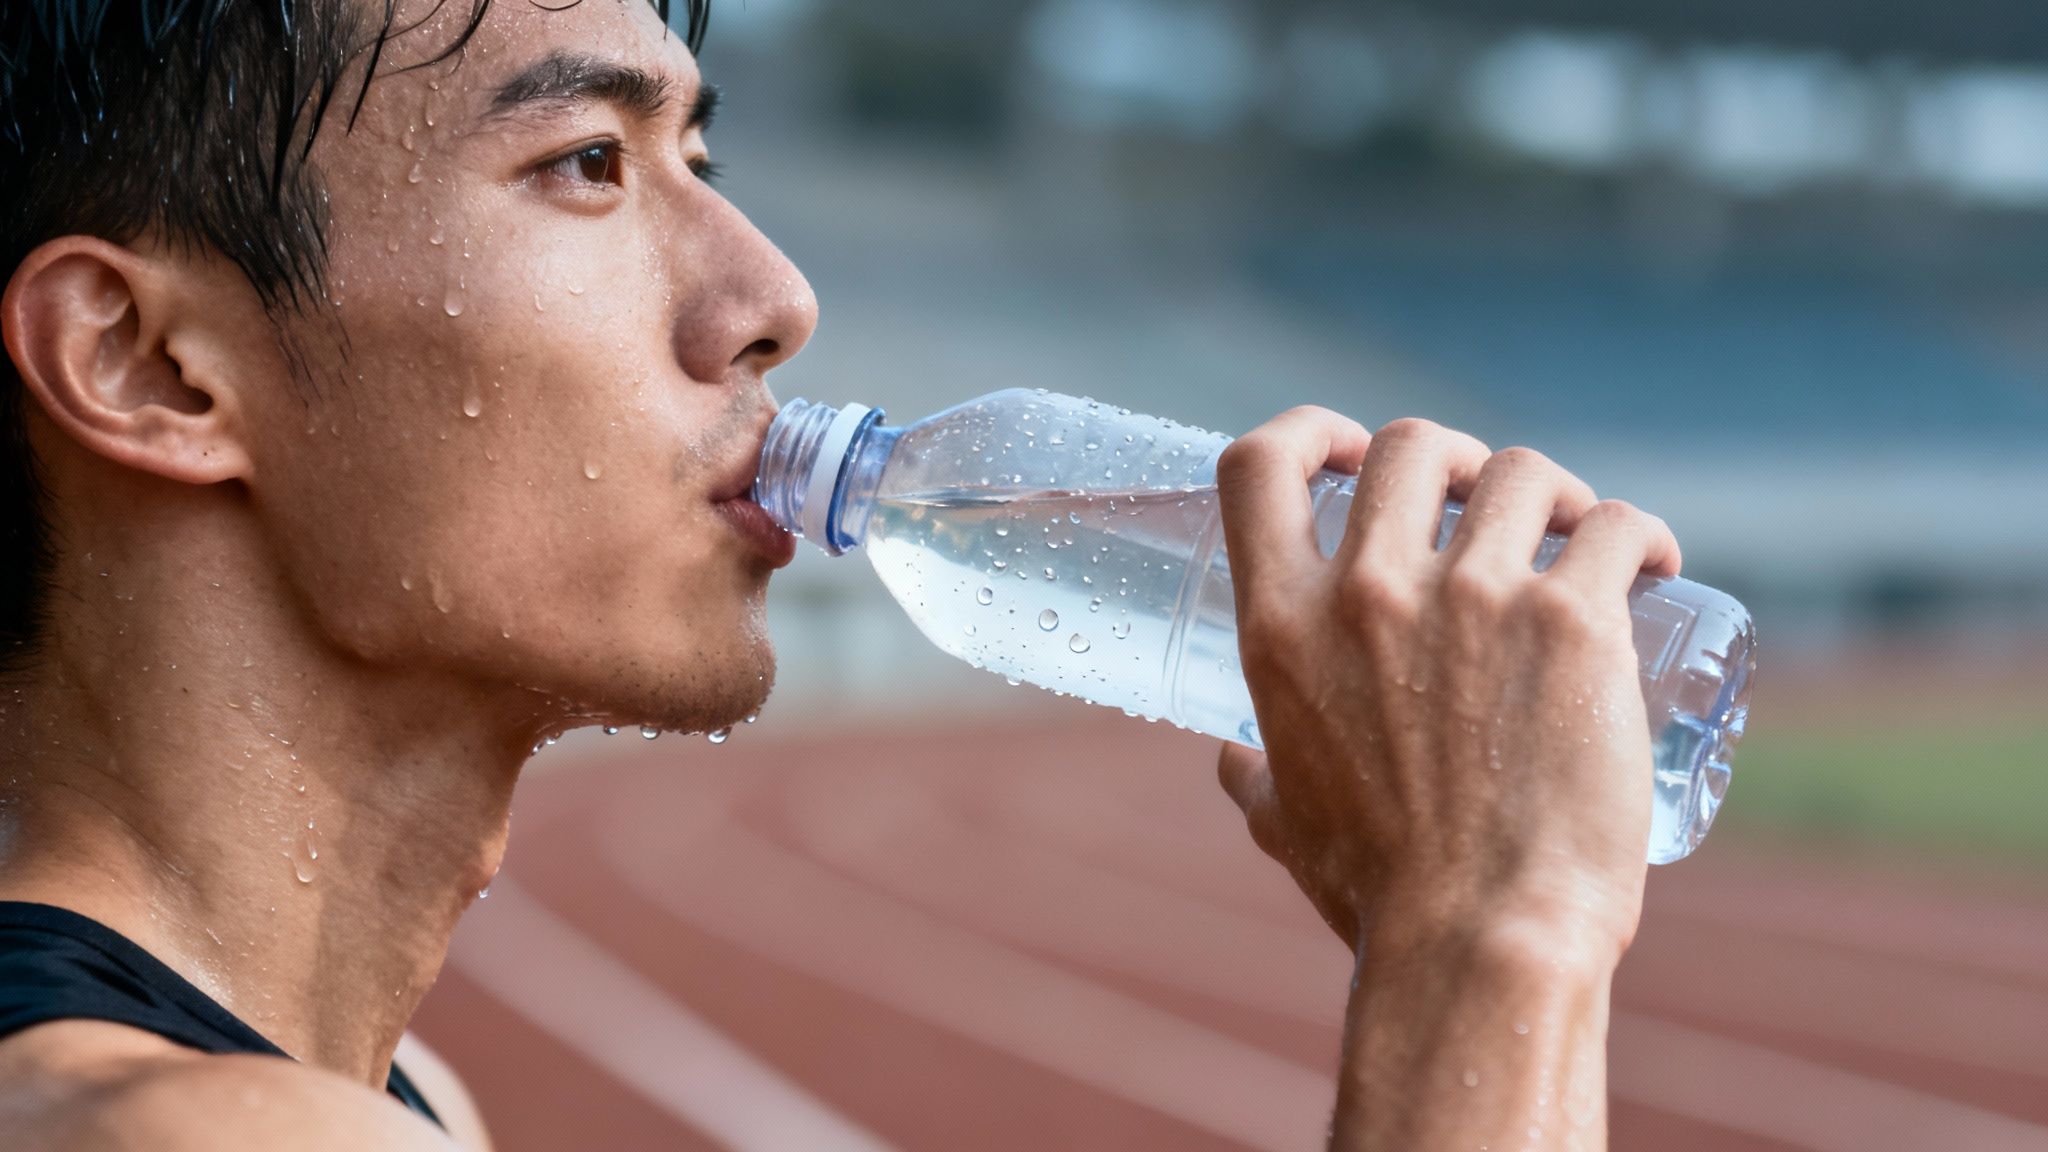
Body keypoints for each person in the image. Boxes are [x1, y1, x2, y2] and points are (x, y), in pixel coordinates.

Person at [0, 0, 1681, 1148]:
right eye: (586, 161)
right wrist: (1493, 943)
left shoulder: (373, 1089)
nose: (774, 295)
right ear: (146, 362)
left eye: (701, 167)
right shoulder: (188, 1132)